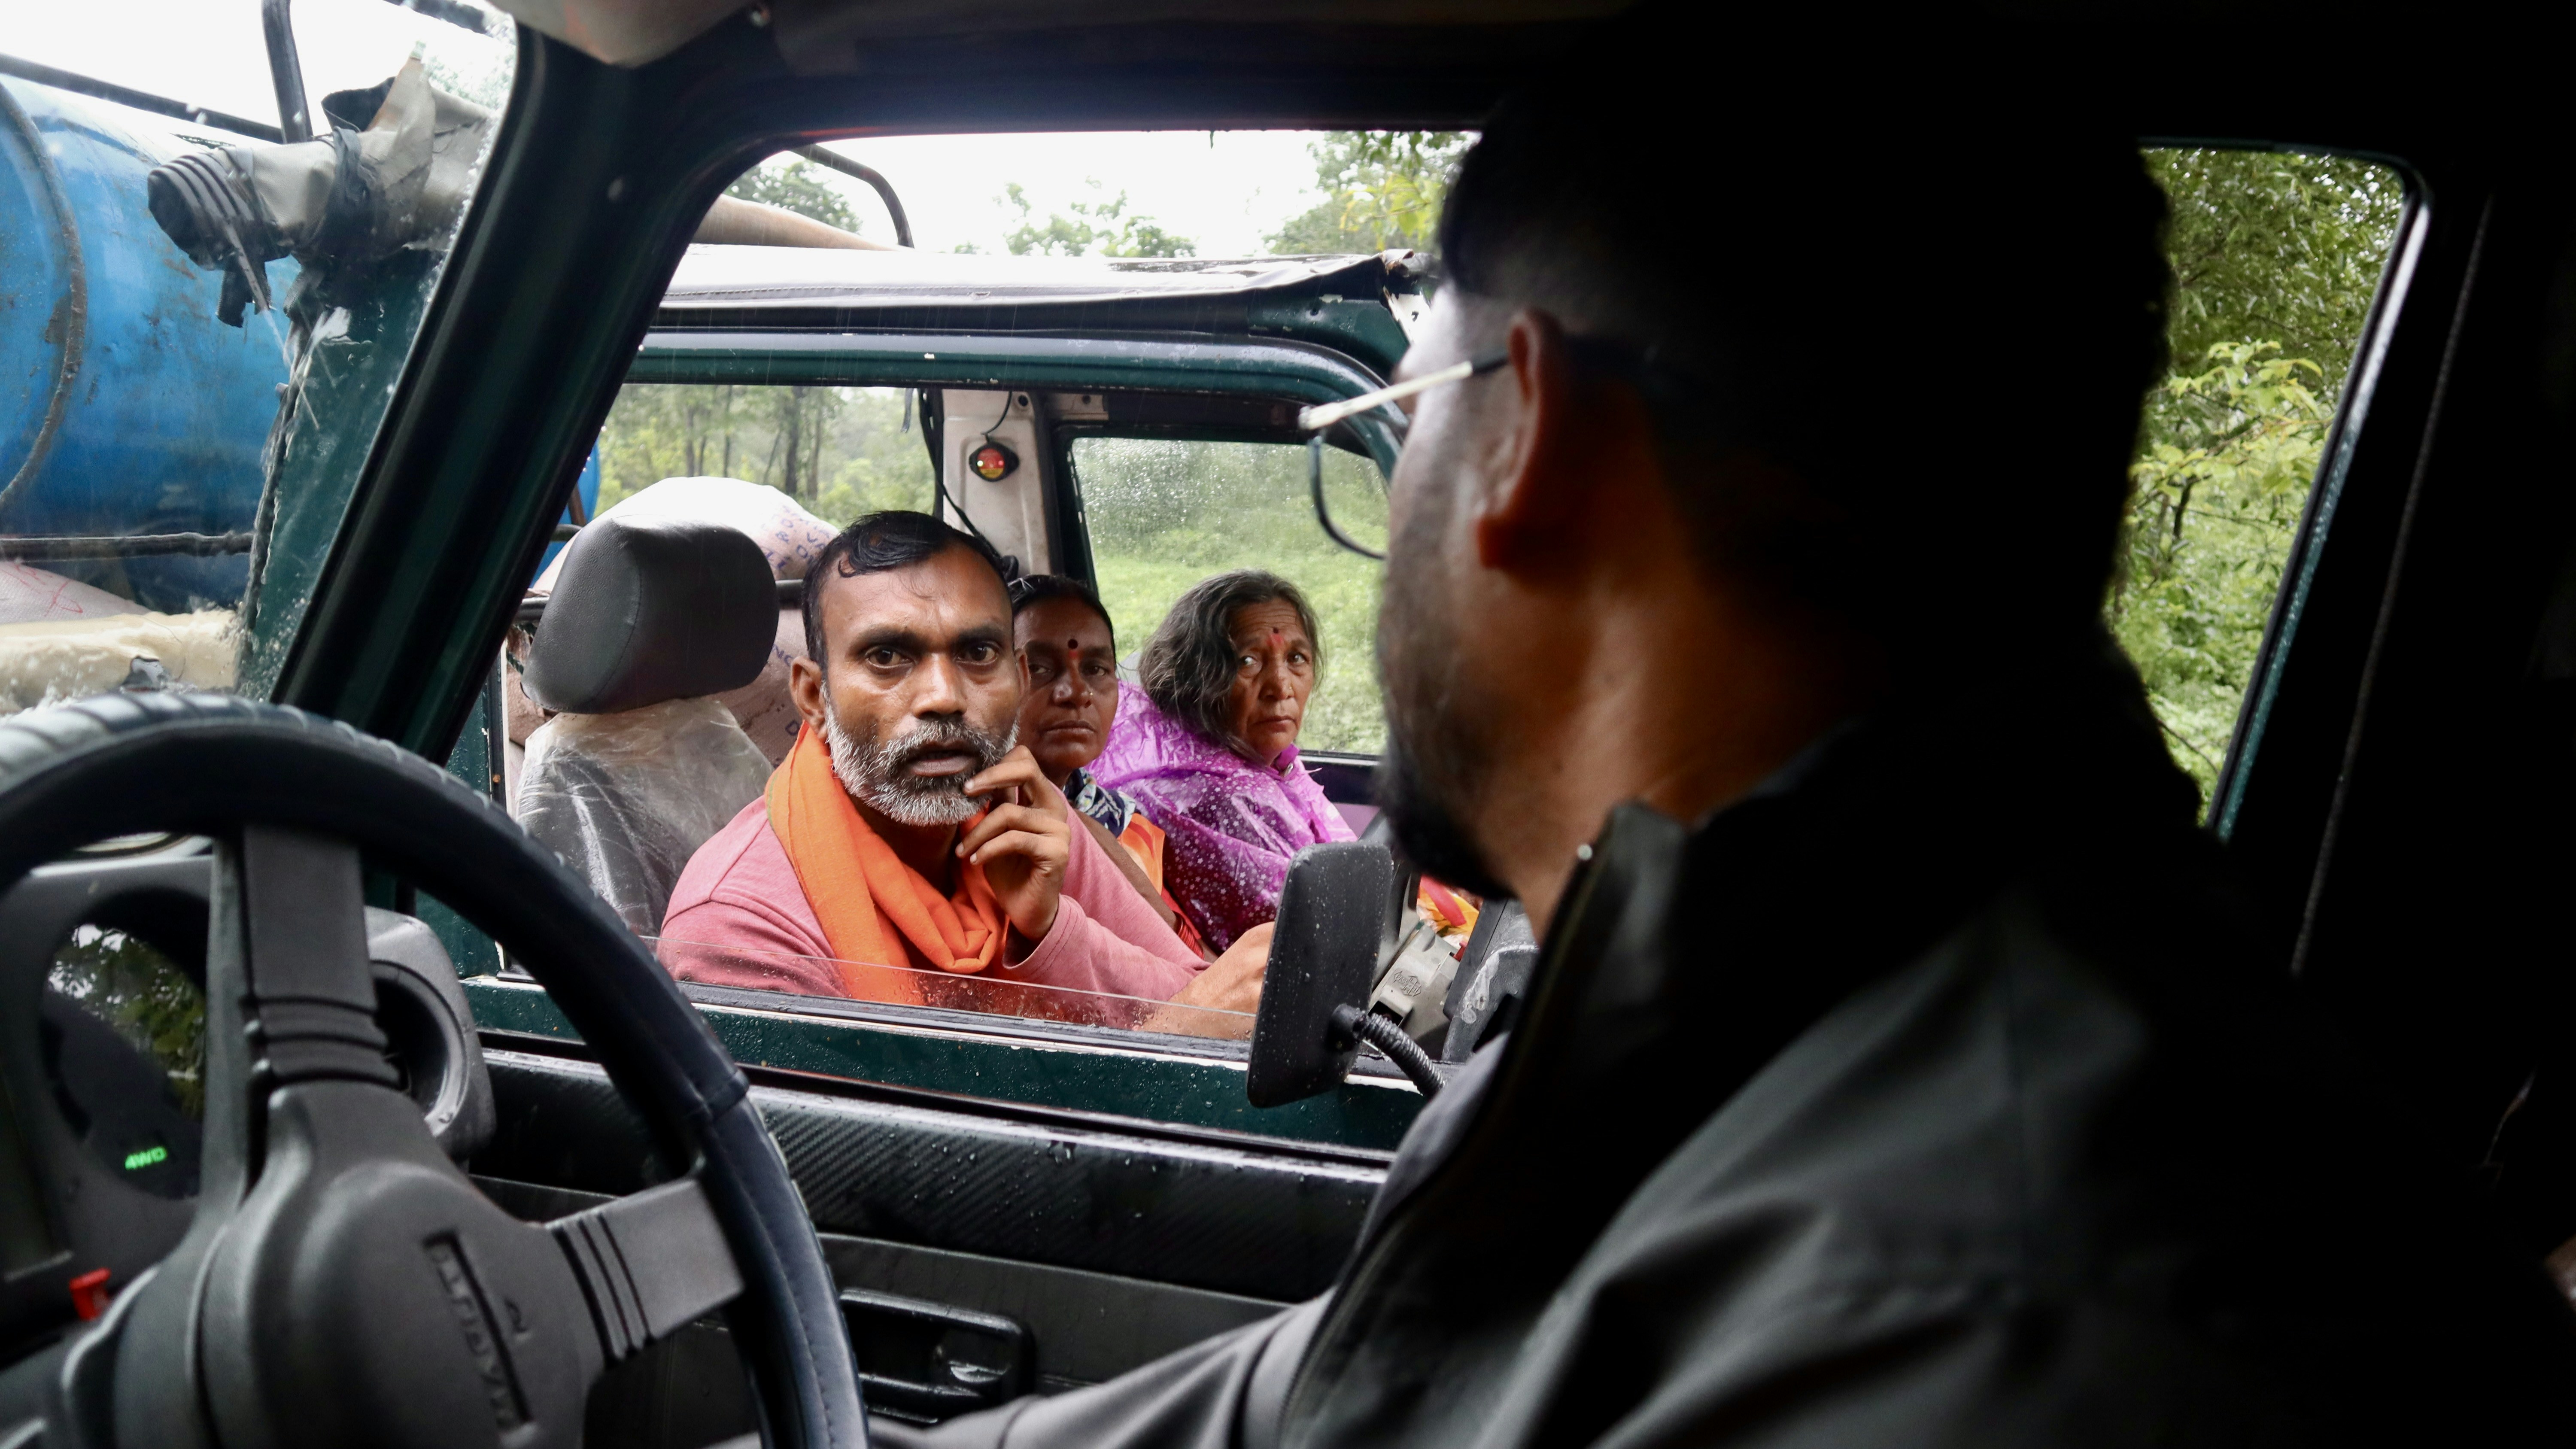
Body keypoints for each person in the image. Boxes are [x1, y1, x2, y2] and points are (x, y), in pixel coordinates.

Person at [875, 38, 2576, 1449]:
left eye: (1395, 424)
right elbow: (1304, 1400)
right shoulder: (1726, 1005)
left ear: (1524, 430)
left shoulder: (1984, 1319)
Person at [657, 512, 1267, 1030]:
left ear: (1020, 679)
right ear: (816, 698)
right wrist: (1172, 1036)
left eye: (977, 653)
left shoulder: (1024, 817)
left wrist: (1049, 927)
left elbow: (1201, 990)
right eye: (888, 656)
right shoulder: (738, 926)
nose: (944, 696)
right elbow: (856, 1165)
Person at [1090, 570, 1356, 951]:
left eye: (1296, 657)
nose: (1282, 686)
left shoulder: (1260, 755)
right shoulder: (1209, 796)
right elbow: (1323, 940)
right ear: (1196, 676)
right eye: (1248, 661)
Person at [1007, 573, 1212, 957]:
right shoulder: (980, 827)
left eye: (1096, 669)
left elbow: (1187, 952)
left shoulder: (1126, 823)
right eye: (1039, 668)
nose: (1076, 693)